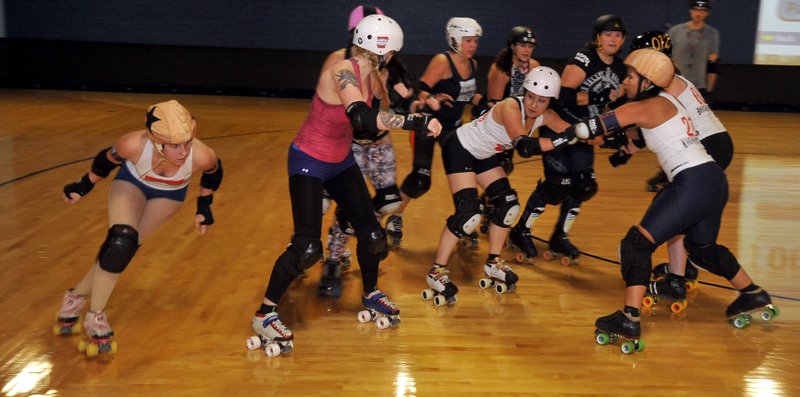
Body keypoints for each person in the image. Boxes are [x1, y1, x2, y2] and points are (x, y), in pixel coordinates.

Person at [249, 14, 442, 355]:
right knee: (307, 248)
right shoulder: (342, 71)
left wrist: (409, 111)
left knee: (372, 235)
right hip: (308, 161)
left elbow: (368, 127)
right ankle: (265, 313)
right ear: (386, 52)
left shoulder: (373, 75)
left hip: (340, 162)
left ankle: (370, 293)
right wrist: (416, 122)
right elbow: (361, 118)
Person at [568, 48, 776, 352]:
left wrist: (570, 130)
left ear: (647, 81)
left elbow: (591, 127)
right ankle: (752, 293)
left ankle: (629, 318)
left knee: (636, 244)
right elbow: (631, 135)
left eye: (630, 76)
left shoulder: (646, 106)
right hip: (712, 179)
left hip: (691, 180)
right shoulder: (667, 102)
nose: (625, 81)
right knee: (702, 250)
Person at [54, 100, 223, 355]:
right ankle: (94, 315)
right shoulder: (133, 144)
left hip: (169, 196)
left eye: (187, 142)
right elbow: (106, 161)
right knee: (121, 240)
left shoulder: (202, 154)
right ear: (156, 142)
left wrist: (204, 206)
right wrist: (83, 185)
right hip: (130, 185)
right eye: (175, 146)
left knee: (121, 250)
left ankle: (75, 297)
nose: (184, 151)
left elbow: (213, 172)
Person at [424, 67, 576, 305]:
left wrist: (609, 132)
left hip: (483, 156)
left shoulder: (546, 116)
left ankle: (493, 262)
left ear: (550, 101)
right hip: (461, 149)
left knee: (509, 206)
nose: (534, 105)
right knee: (468, 214)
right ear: (523, 93)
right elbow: (524, 145)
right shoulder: (510, 107)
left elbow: (576, 130)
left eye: (542, 101)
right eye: (530, 97)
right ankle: (437, 271)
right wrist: (564, 138)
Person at [509, 15, 627, 264]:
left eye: (617, 35)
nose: (613, 39)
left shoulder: (620, 67)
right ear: (598, 38)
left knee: (583, 185)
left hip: (586, 132)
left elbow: (614, 104)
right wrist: (596, 97)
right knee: (557, 185)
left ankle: (559, 236)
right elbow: (562, 95)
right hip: (561, 127)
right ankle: (522, 230)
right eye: (608, 35)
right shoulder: (585, 57)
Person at [626, 31, 734, 298]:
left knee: (674, 209)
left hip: (705, 145)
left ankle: (677, 278)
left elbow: (645, 120)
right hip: (716, 141)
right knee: (682, 211)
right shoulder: (672, 79)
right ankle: (681, 269)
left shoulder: (664, 84)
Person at [318, 4, 415, 297]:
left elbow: (403, 100)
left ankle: (360, 228)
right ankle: (333, 258)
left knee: (387, 202)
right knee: (342, 206)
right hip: (350, 144)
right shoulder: (339, 60)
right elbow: (325, 105)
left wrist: (413, 101)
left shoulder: (389, 64)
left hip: (380, 142)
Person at [394, 17, 484, 247]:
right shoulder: (443, 61)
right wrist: (431, 99)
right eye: (468, 40)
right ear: (454, 39)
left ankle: (464, 219)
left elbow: (466, 96)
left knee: (464, 172)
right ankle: (395, 216)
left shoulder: (473, 65)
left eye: (475, 40)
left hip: (451, 128)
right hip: (428, 124)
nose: (473, 45)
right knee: (420, 180)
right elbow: (420, 89)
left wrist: (486, 103)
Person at [477, 26, 540, 233]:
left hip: (517, 121)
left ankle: (488, 199)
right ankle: (488, 205)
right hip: (496, 119)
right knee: (500, 165)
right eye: (522, 45)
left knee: (506, 165)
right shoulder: (501, 69)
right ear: (512, 47)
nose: (526, 50)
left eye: (530, 46)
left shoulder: (534, 66)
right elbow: (493, 103)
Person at [667, 0, 720, 99]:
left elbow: (713, 64)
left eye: (702, 11)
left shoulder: (712, 34)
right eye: (696, 10)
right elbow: (665, 59)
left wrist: (709, 91)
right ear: (690, 11)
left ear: (707, 13)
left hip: (698, 86)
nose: (698, 13)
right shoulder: (675, 31)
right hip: (675, 84)